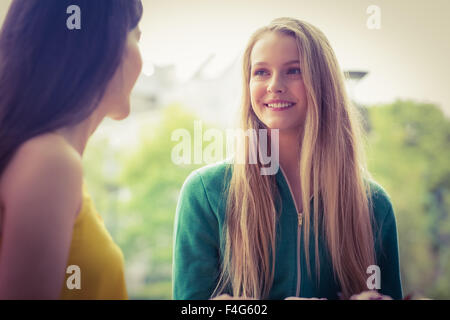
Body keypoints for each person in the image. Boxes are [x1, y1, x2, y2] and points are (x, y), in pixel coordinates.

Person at [173, 17, 403, 300]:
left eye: (293, 71)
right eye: (260, 72)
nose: (274, 85)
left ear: (323, 83)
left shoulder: (375, 205)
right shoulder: (204, 193)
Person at [0, 0, 143, 299]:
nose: (141, 58)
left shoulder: (48, 158)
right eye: (136, 35)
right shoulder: (51, 161)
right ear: (103, 44)